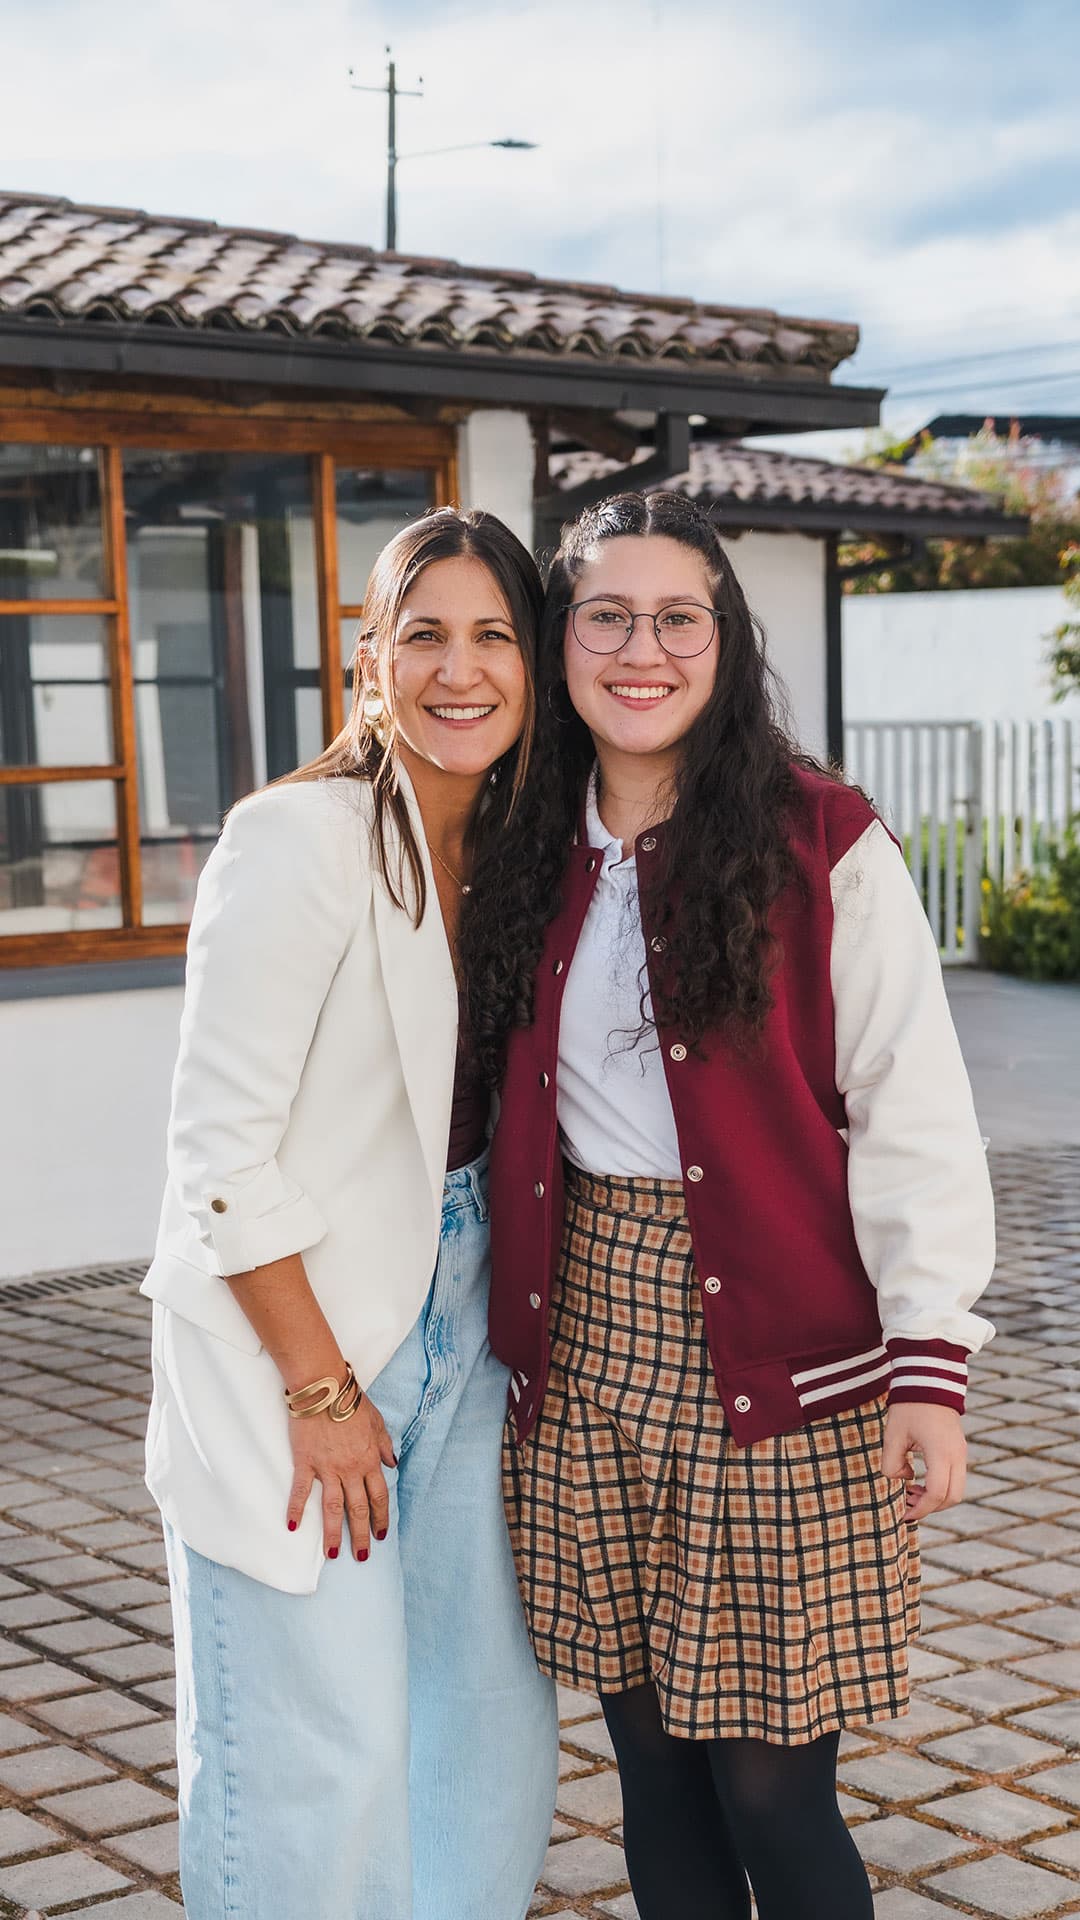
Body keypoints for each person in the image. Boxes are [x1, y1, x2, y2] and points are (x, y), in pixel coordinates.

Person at [463, 489, 995, 1920]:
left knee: (770, 1775)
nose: (644, 649)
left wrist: (928, 1364)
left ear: (724, 637)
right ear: (564, 641)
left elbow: (914, 1112)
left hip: (782, 1350)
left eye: (678, 617)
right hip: (583, 1340)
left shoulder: (824, 842)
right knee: (647, 1756)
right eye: (608, 616)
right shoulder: (519, 845)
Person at [142, 507, 558, 1920]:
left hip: (471, 1320)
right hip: (303, 1330)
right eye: (423, 633)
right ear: (366, 661)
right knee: (322, 1757)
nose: (461, 668)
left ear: (534, 663)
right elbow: (217, 1152)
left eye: (494, 635)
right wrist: (318, 1386)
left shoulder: (514, 847)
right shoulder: (298, 839)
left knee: (480, 1741)